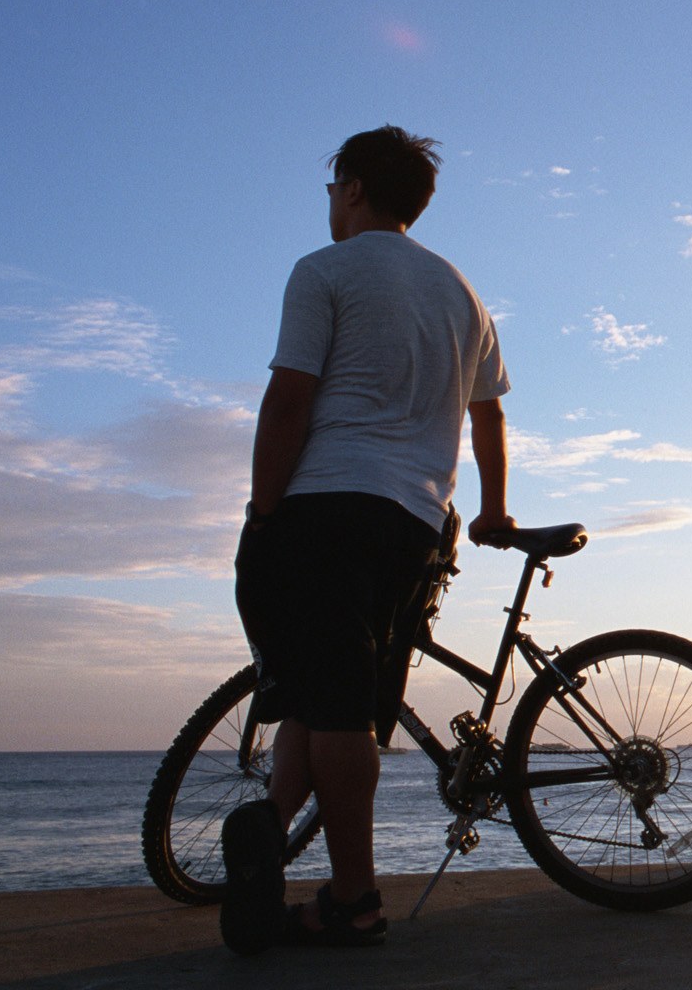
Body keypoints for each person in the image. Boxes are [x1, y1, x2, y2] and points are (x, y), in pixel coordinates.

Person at [220, 125, 514, 954]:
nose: (328, 203)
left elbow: (289, 400)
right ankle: (270, 838)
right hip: (419, 522)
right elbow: (488, 411)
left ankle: (356, 900)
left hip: (328, 506)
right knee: (329, 683)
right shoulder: (462, 293)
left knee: (341, 706)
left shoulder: (325, 271)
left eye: (330, 189)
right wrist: (491, 507)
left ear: (351, 189)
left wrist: (262, 509)